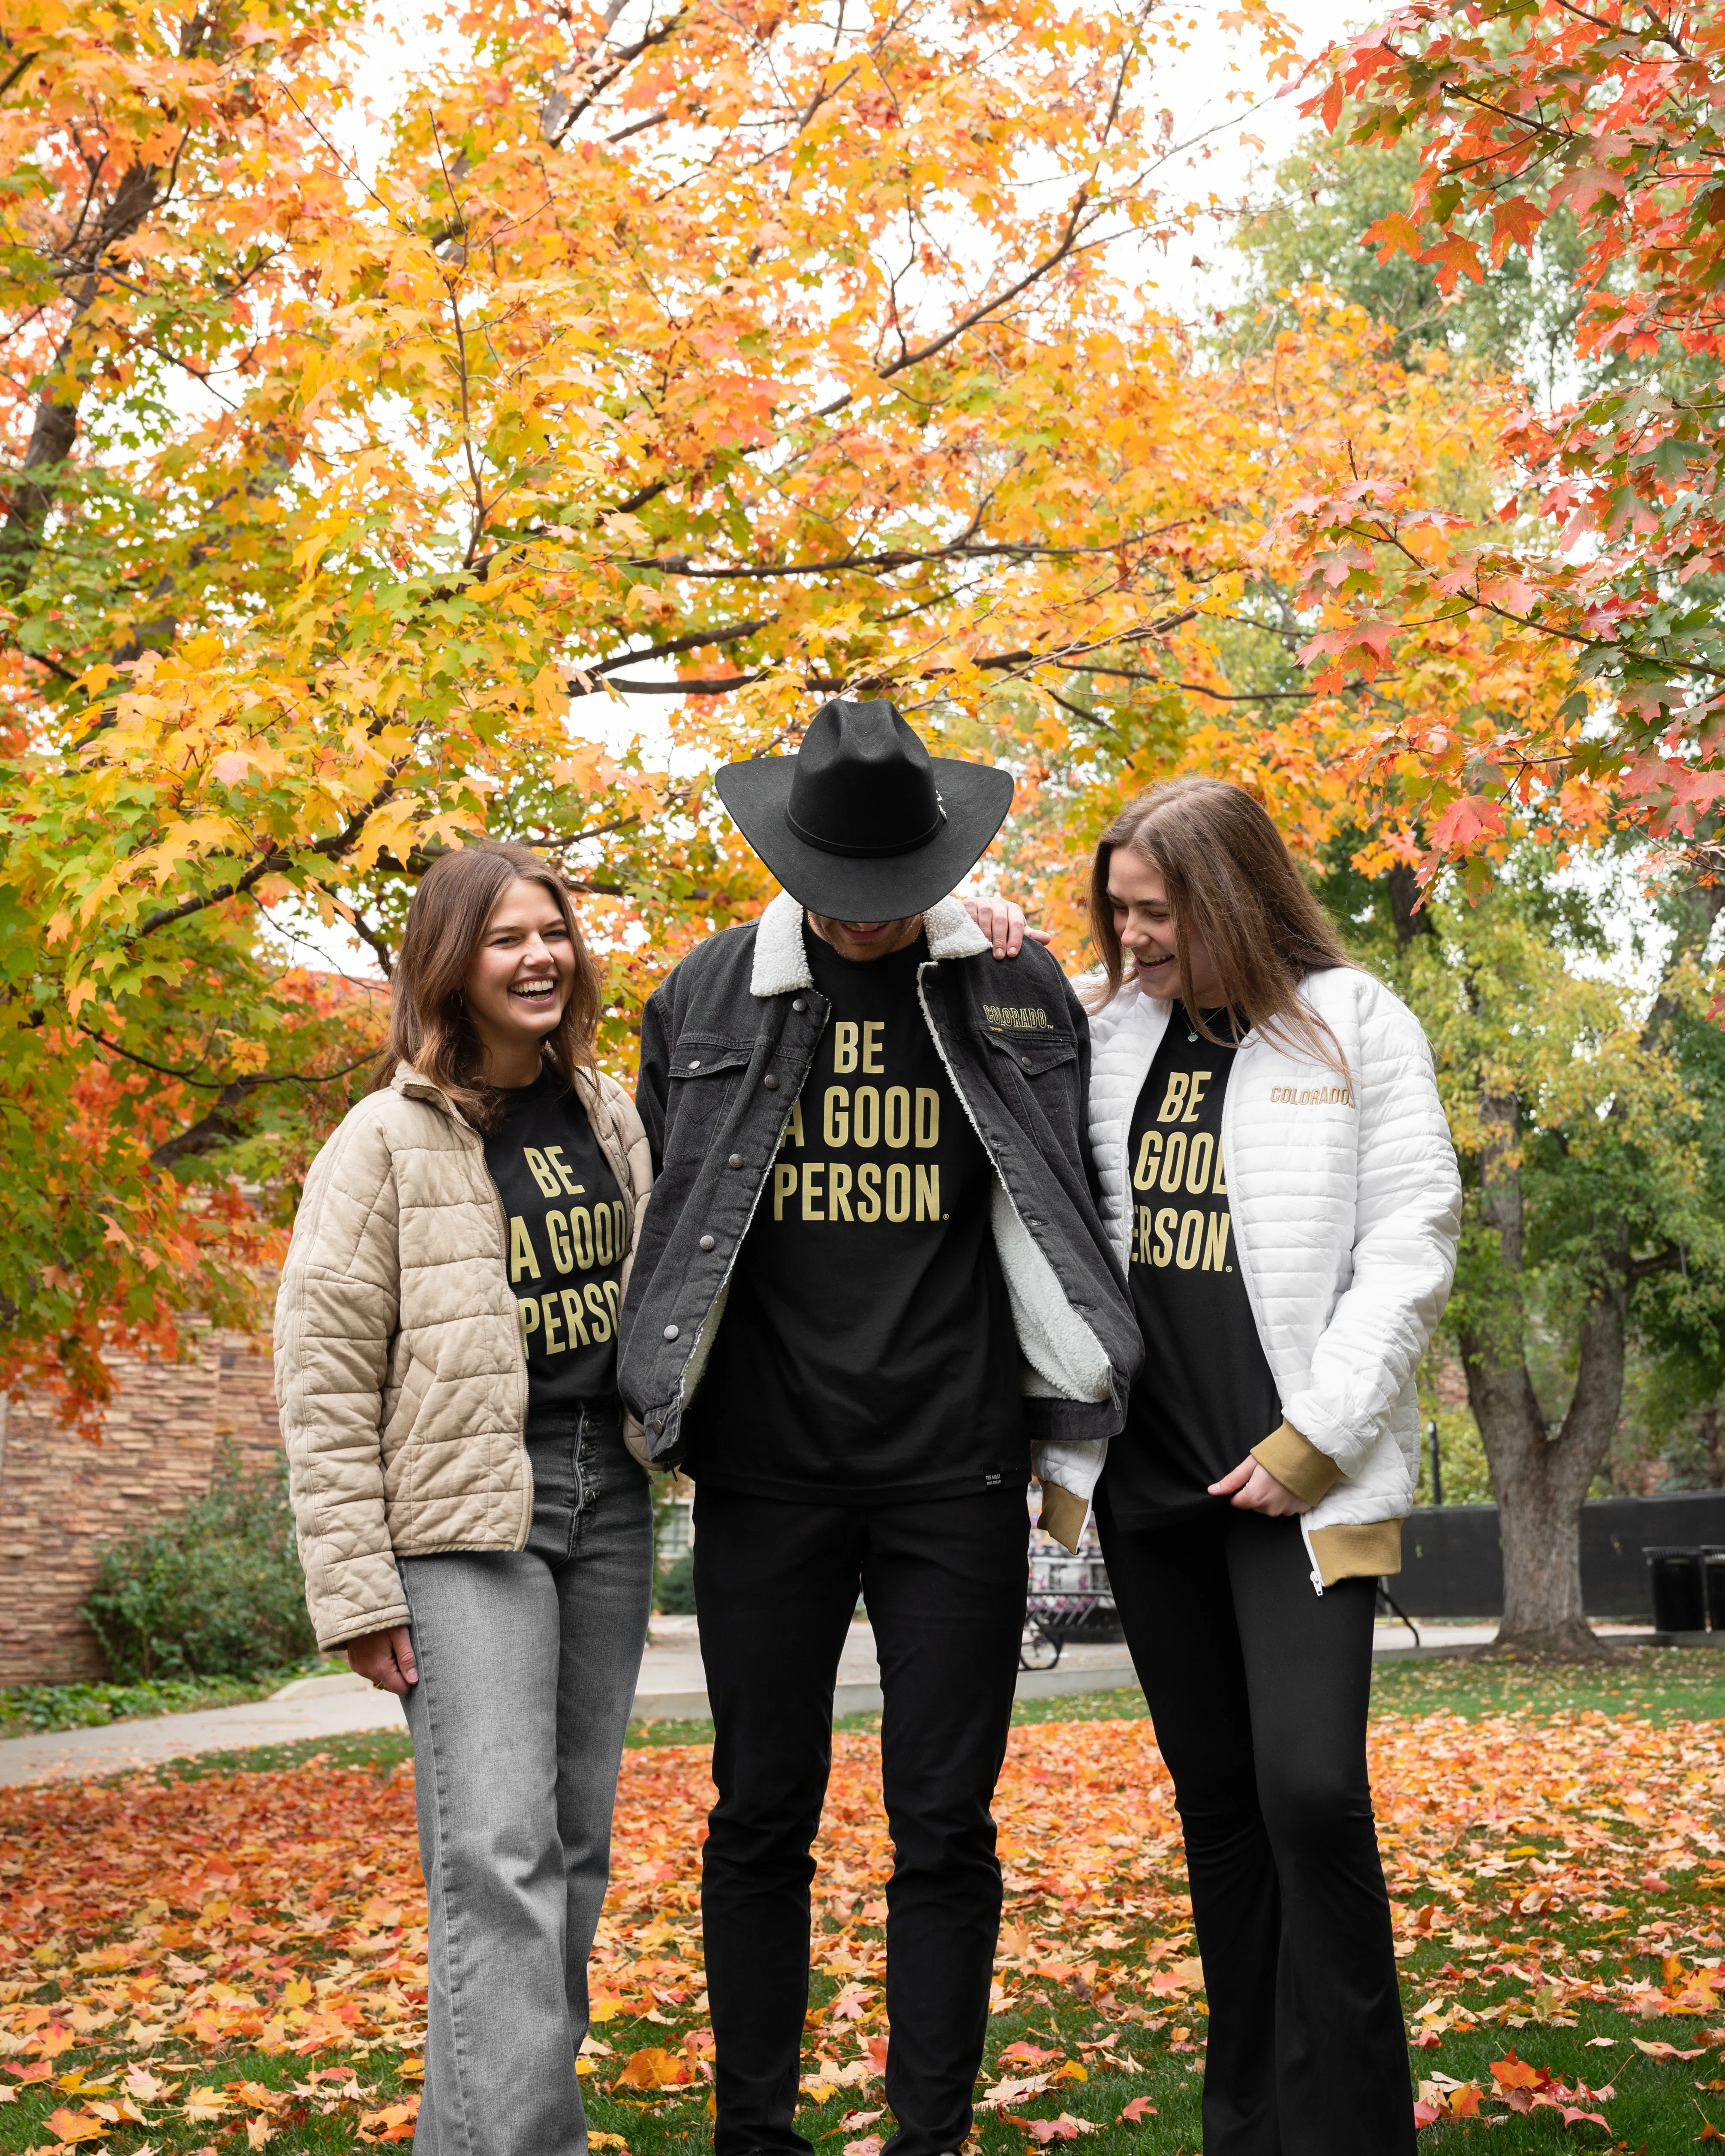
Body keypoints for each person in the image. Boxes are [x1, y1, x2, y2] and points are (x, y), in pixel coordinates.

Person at [616, 697, 1141, 2156]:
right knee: (759, 1813)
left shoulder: (1018, 995)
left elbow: (1064, 1201)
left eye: (891, 895)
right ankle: (755, 2133)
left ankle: (930, 2136)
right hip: (767, 1479)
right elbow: (667, 1222)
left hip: (955, 1472)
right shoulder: (704, 998)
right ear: (788, 857)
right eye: (836, 894)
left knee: (946, 1824)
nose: (860, 921)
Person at [1081, 777, 1461, 2156]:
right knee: (1223, 1819)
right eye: (1117, 910)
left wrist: (1318, 1442)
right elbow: (955, 968)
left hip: (1303, 1490)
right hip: (1155, 1491)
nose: (1134, 938)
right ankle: (1244, 2123)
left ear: (1233, 893)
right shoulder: (1107, 1030)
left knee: (1310, 1789)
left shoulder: (1356, 1024)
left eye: (1158, 910)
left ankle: (1354, 2128)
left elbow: (1412, 1243)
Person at [273, 842, 654, 2156]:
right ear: (451, 961)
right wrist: (355, 1587)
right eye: (506, 938)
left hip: (604, 1502)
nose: (540, 955)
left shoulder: (606, 1111)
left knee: (573, 1851)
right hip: (459, 1524)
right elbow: (321, 1376)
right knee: (496, 1855)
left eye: (553, 931)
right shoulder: (380, 1138)